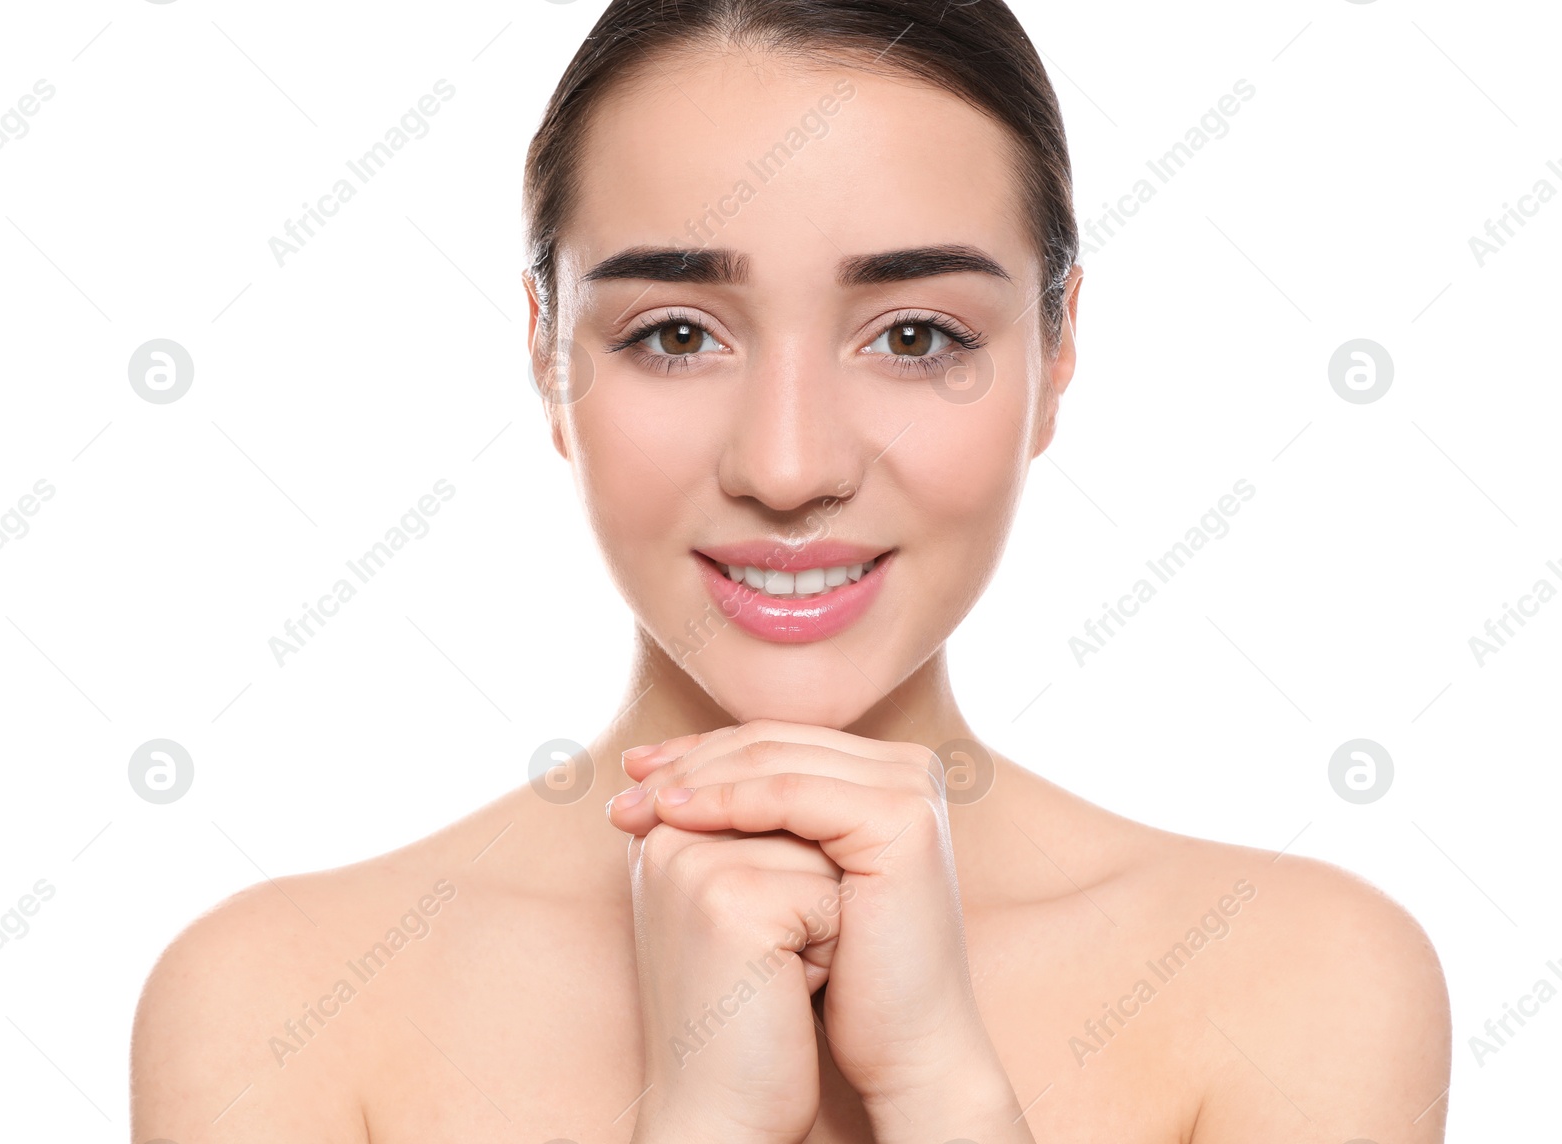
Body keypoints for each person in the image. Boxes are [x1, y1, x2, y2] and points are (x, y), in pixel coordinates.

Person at [130, 2, 1452, 1140]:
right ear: (547, 354)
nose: (788, 463)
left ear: (1056, 355)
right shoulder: (275, 1007)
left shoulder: (1304, 982)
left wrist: (945, 1090)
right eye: (678, 333)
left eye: (918, 333)